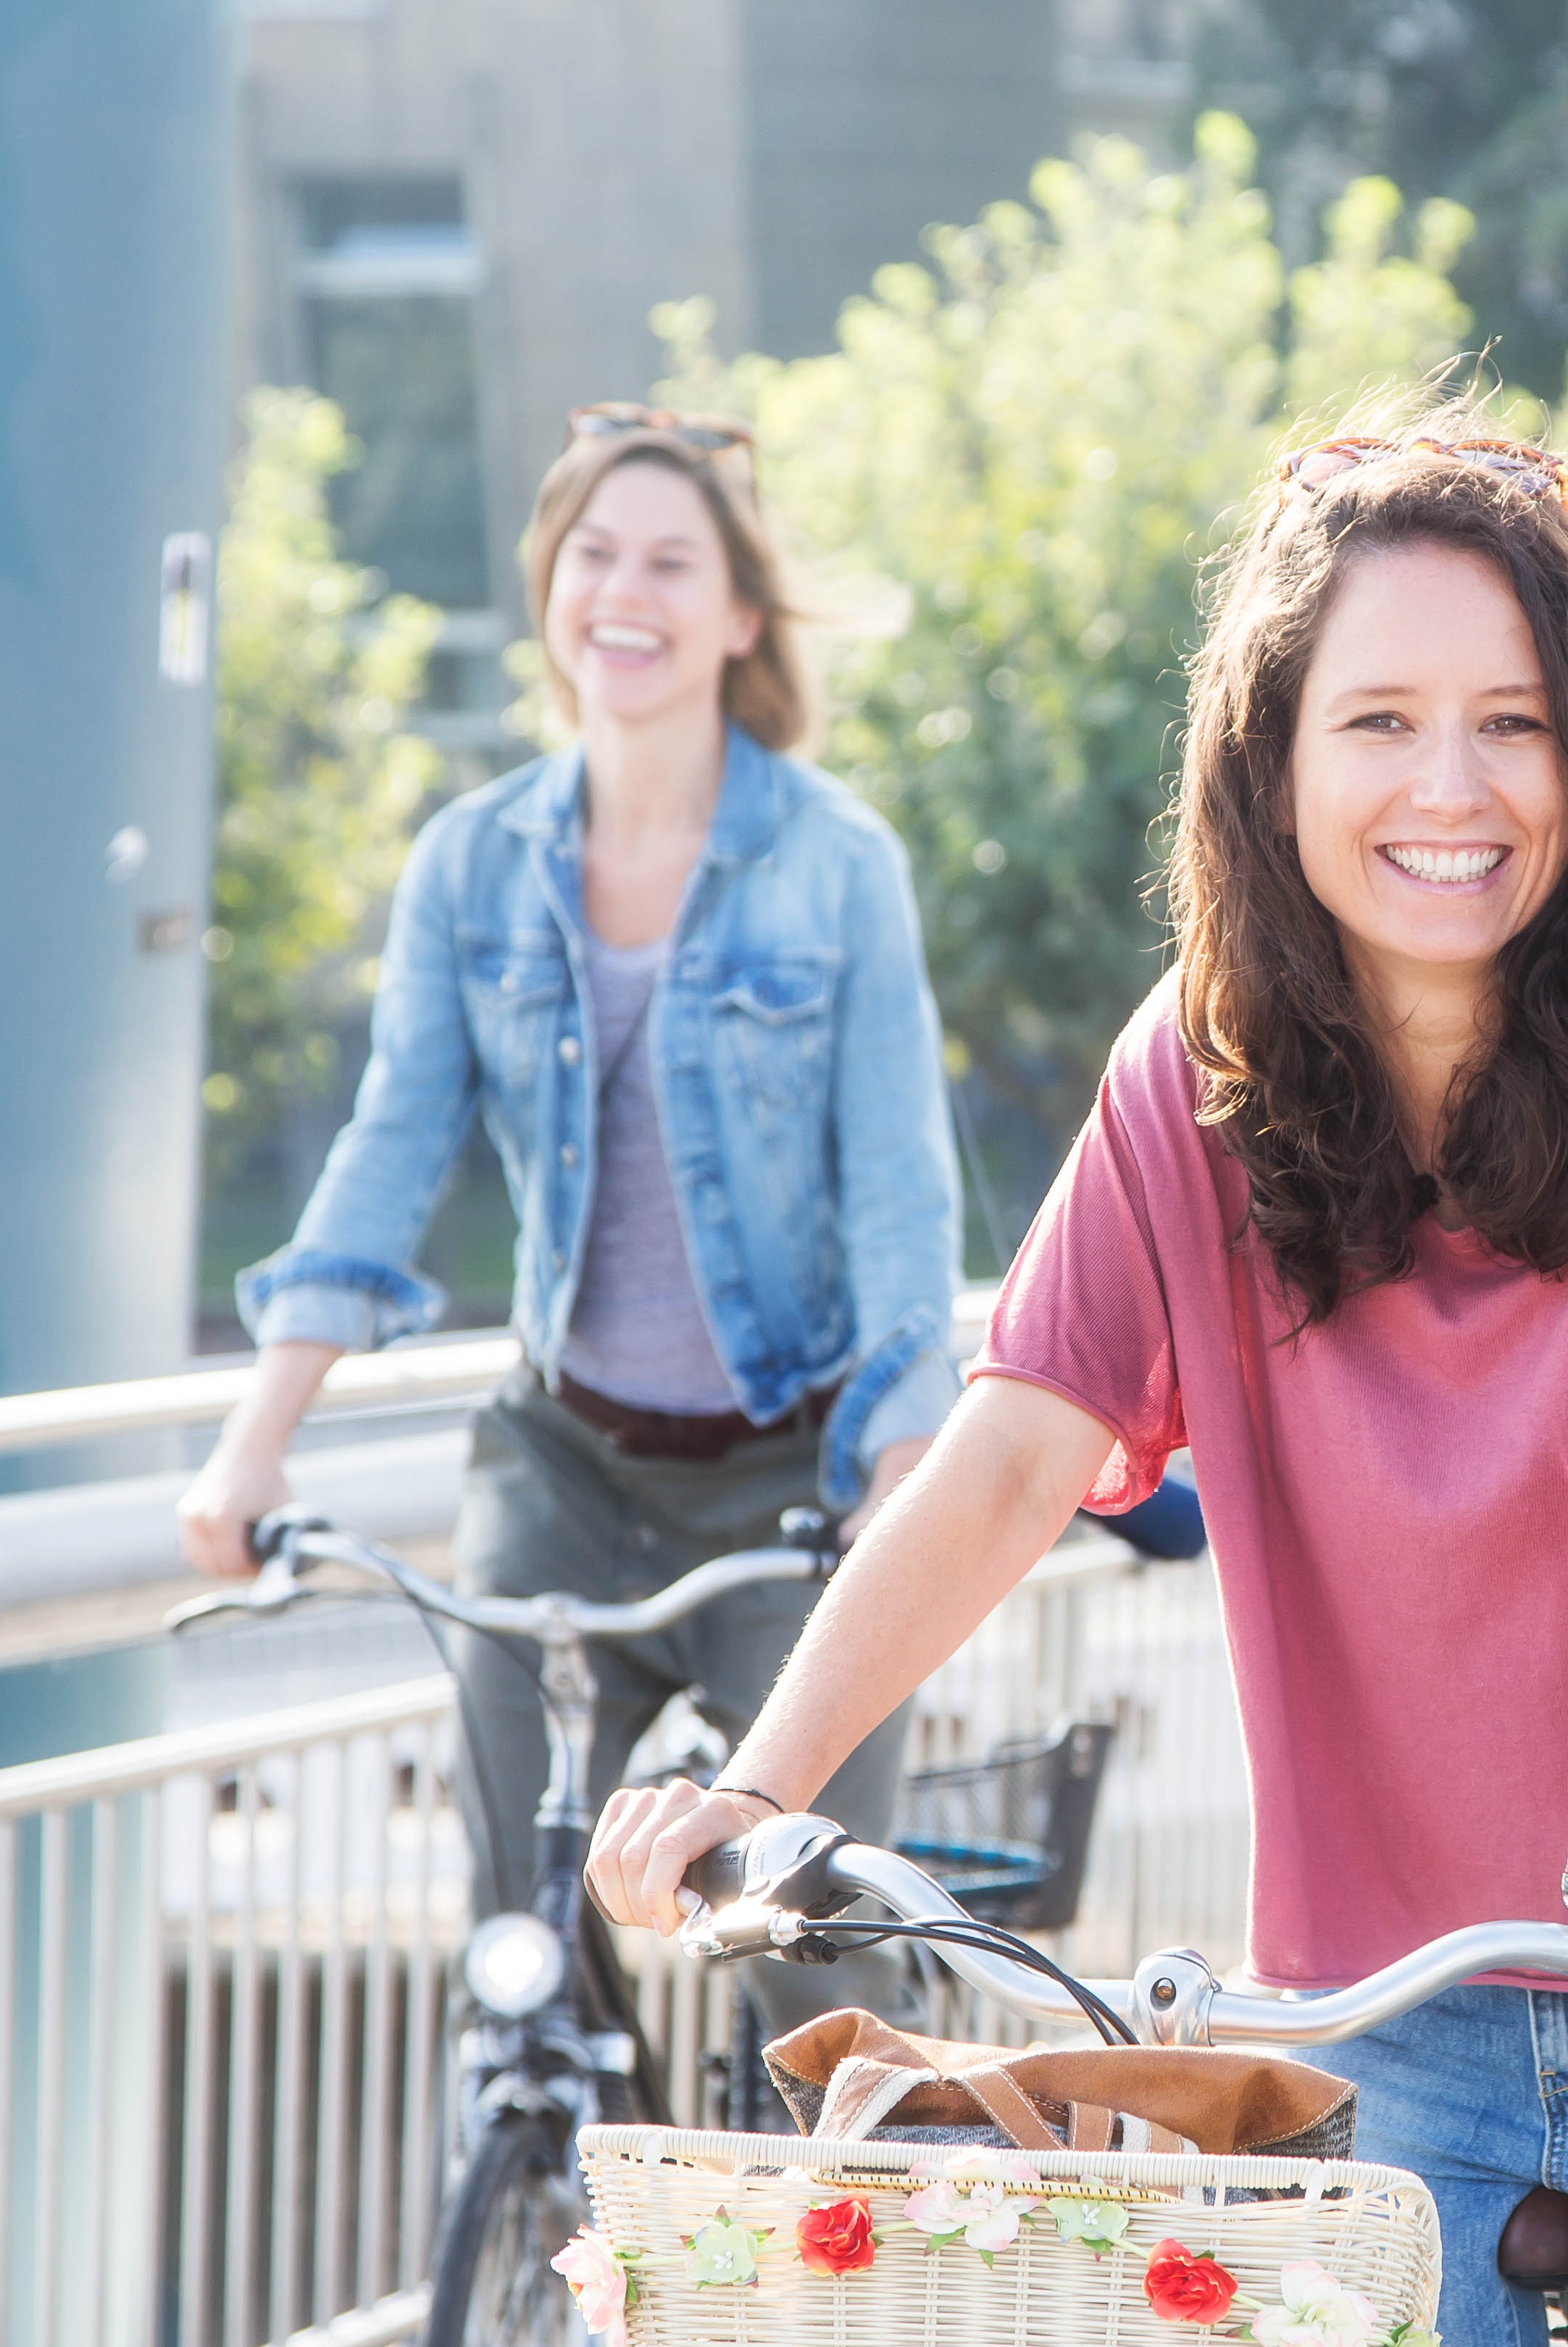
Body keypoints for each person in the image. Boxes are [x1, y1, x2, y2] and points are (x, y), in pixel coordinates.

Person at [588, 415, 1568, 2347]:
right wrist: (761, 1785)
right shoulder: (1201, 1064)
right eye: (1382, 720)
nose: (1453, 787)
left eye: (1513, 722)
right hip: (1393, 2032)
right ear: (1273, 760)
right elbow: (1015, 1448)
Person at [179, 404, 959, 2021]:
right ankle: (557, 2210)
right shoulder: (472, 866)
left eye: (672, 560)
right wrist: (255, 1440)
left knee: (807, 1966)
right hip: (565, 1459)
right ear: (549, 591)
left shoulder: (837, 865)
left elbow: (901, 1189)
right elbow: (390, 1152)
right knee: (520, 1934)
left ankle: (804, 2239)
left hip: (788, 1476)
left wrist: (902, 1478)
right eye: (593, 554)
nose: (627, 589)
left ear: (739, 615)